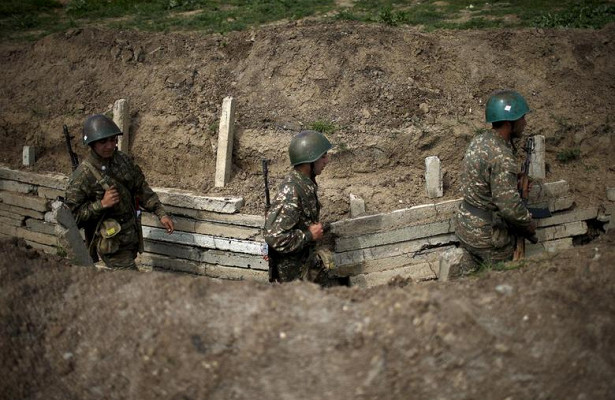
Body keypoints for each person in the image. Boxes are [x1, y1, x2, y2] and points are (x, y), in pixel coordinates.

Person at [65, 114, 174, 269]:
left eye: (113, 140)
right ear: (92, 144)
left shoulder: (122, 160)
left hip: (130, 237)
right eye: (103, 141)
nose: (110, 145)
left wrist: (160, 213)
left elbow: (140, 188)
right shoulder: (83, 176)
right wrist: (101, 204)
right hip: (110, 244)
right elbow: (71, 217)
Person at [454, 89, 536, 273]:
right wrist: (528, 224)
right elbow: (509, 206)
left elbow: (482, 181)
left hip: (466, 227)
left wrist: (512, 180)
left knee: (469, 283)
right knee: (500, 285)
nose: (525, 123)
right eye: (521, 118)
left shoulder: (480, 141)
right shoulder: (502, 156)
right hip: (487, 237)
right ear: (509, 122)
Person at [264, 130, 334, 284]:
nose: (326, 160)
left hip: (304, 270)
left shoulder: (305, 183)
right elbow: (274, 237)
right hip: (292, 279)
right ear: (310, 161)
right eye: (323, 156)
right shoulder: (292, 190)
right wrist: (308, 235)